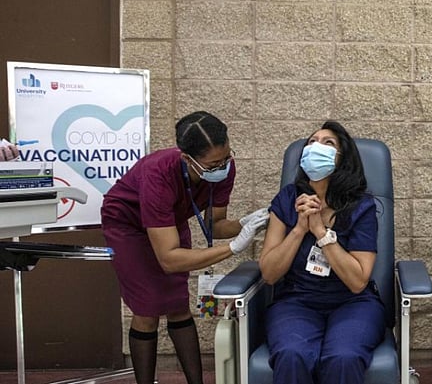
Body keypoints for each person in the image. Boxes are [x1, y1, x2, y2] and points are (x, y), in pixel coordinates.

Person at [101, 111, 269, 384]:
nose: (223, 167)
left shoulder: (224, 167)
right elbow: (169, 259)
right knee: (148, 308)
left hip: (170, 220)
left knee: (178, 304)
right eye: (214, 163)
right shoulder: (158, 173)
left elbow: (215, 225)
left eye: (227, 157)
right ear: (186, 158)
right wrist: (234, 248)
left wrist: (248, 224)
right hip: (127, 225)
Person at [259, 120, 385, 384]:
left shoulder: (361, 206)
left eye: (328, 143)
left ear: (342, 159)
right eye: (312, 142)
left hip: (353, 303)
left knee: (343, 357)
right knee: (292, 354)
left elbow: (357, 281)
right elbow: (269, 274)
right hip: (296, 301)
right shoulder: (287, 199)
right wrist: (299, 229)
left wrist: (321, 232)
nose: (317, 146)